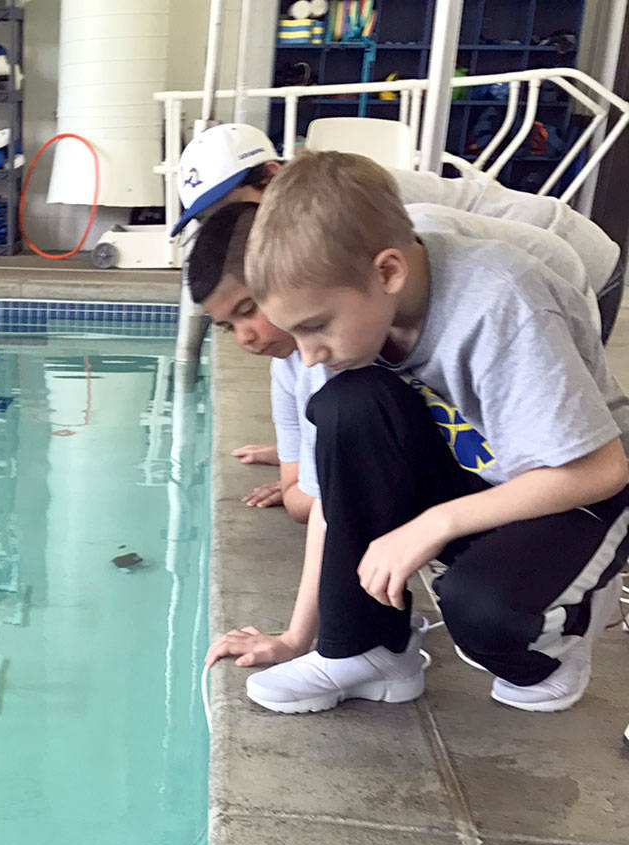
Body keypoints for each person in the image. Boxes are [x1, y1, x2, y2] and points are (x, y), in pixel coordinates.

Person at [210, 150, 629, 713]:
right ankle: (369, 650)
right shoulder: (346, 324)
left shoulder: (499, 301)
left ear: (388, 272)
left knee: (485, 613)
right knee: (347, 406)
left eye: (315, 328)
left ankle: (563, 635)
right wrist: (297, 637)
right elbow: (338, 497)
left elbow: (599, 469)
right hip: (487, 482)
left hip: (581, 490)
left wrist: (436, 523)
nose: (307, 357)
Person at [189, 195, 601, 527]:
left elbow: (587, 460)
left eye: (248, 310)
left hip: (580, 268)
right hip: (505, 300)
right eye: (228, 327)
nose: (245, 338)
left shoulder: (455, 280)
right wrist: (320, 467)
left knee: (551, 434)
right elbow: (317, 499)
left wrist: (431, 519)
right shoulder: (334, 325)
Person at [175, 122, 624, 342]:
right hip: (510, 255)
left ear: (271, 175)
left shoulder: (342, 205)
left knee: (561, 397)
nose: (231, 231)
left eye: (230, 212)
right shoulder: (308, 215)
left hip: (571, 257)